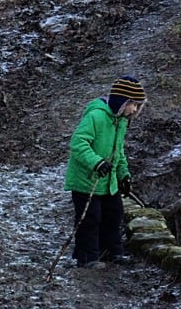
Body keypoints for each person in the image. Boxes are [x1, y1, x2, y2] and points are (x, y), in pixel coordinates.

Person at [63, 76, 146, 269]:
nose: (134, 109)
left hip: (109, 182)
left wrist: (123, 174)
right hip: (87, 180)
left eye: (137, 105)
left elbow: (119, 151)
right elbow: (78, 143)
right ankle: (87, 257)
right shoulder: (96, 117)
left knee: (114, 214)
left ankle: (112, 251)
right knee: (90, 219)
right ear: (122, 101)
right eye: (133, 104)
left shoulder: (121, 122)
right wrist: (96, 162)